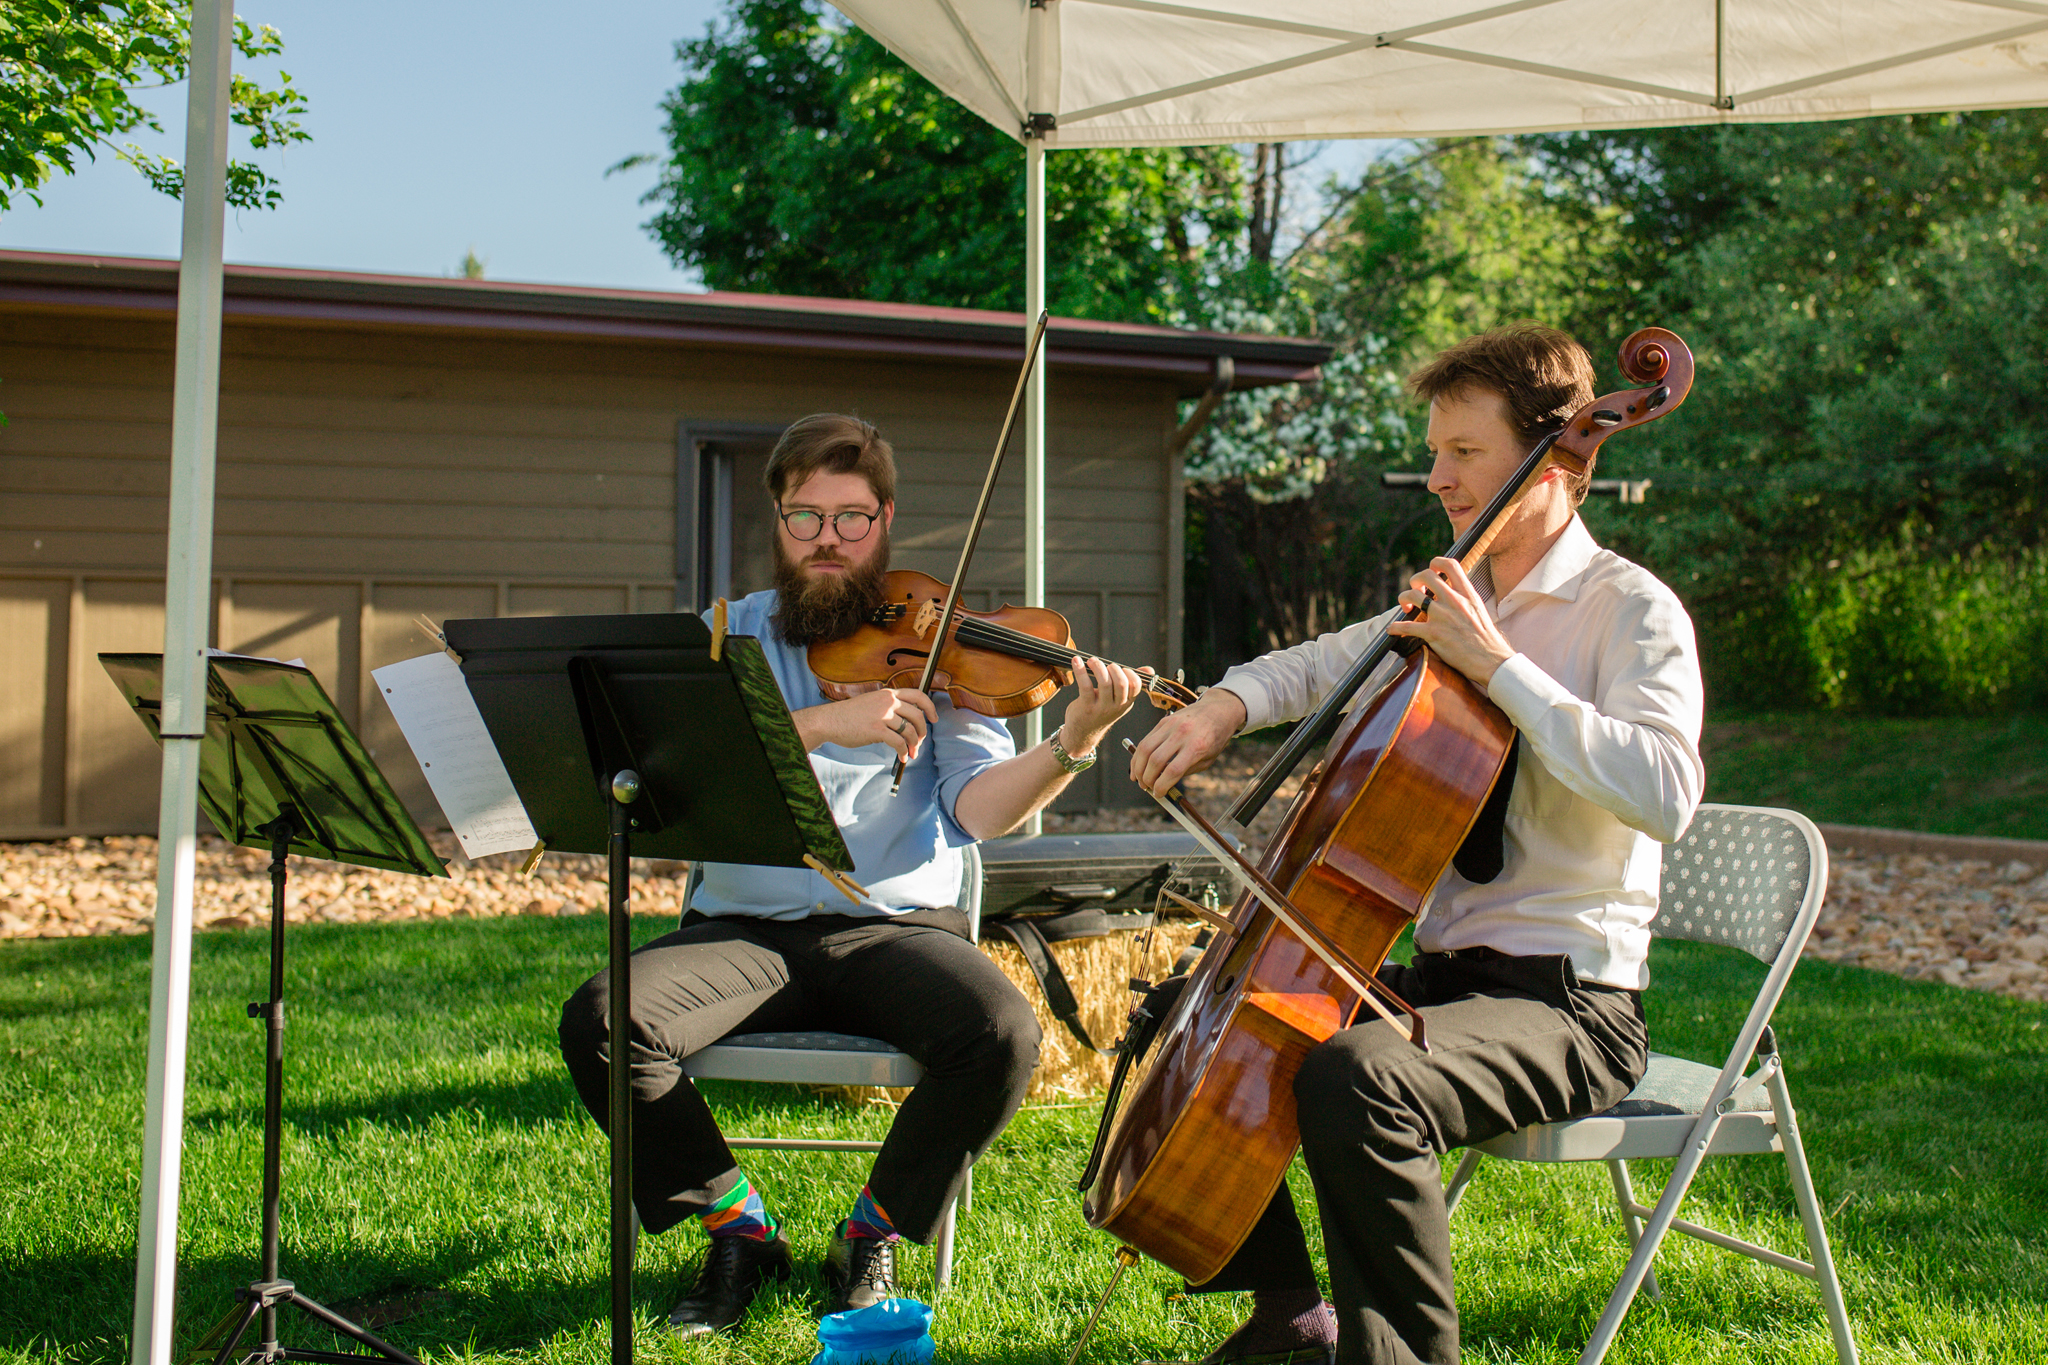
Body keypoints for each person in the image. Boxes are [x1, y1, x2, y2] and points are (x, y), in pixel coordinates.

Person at [1127, 323, 1706, 1365]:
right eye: (1434, 450)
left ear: (1560, 453)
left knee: (1360, 1076)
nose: (1436, 476)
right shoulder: (1449, 593)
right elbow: (1318, 666)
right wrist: (1221, 705)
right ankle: (1288, 1316)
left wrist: (1498, 670)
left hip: (1566, 1007)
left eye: (1463, 452)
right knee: (1190, 1016)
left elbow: (1665, 793)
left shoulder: (1628, 611)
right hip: (1440, 985)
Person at [559, 413, 1151, 1337]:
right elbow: (669, 771)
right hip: (742, 932)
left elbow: (981, 809)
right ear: (778, 522)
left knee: (1001, 1034)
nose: (828, 539)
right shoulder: (726, 636)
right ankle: (738, 1227)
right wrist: (832, 723)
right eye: (806, 517)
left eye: (852, 517)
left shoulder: (945, 643)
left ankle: (868, 1232)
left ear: (884, 522)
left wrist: (1072, 744)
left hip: (892, 931)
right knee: (603, 1021)